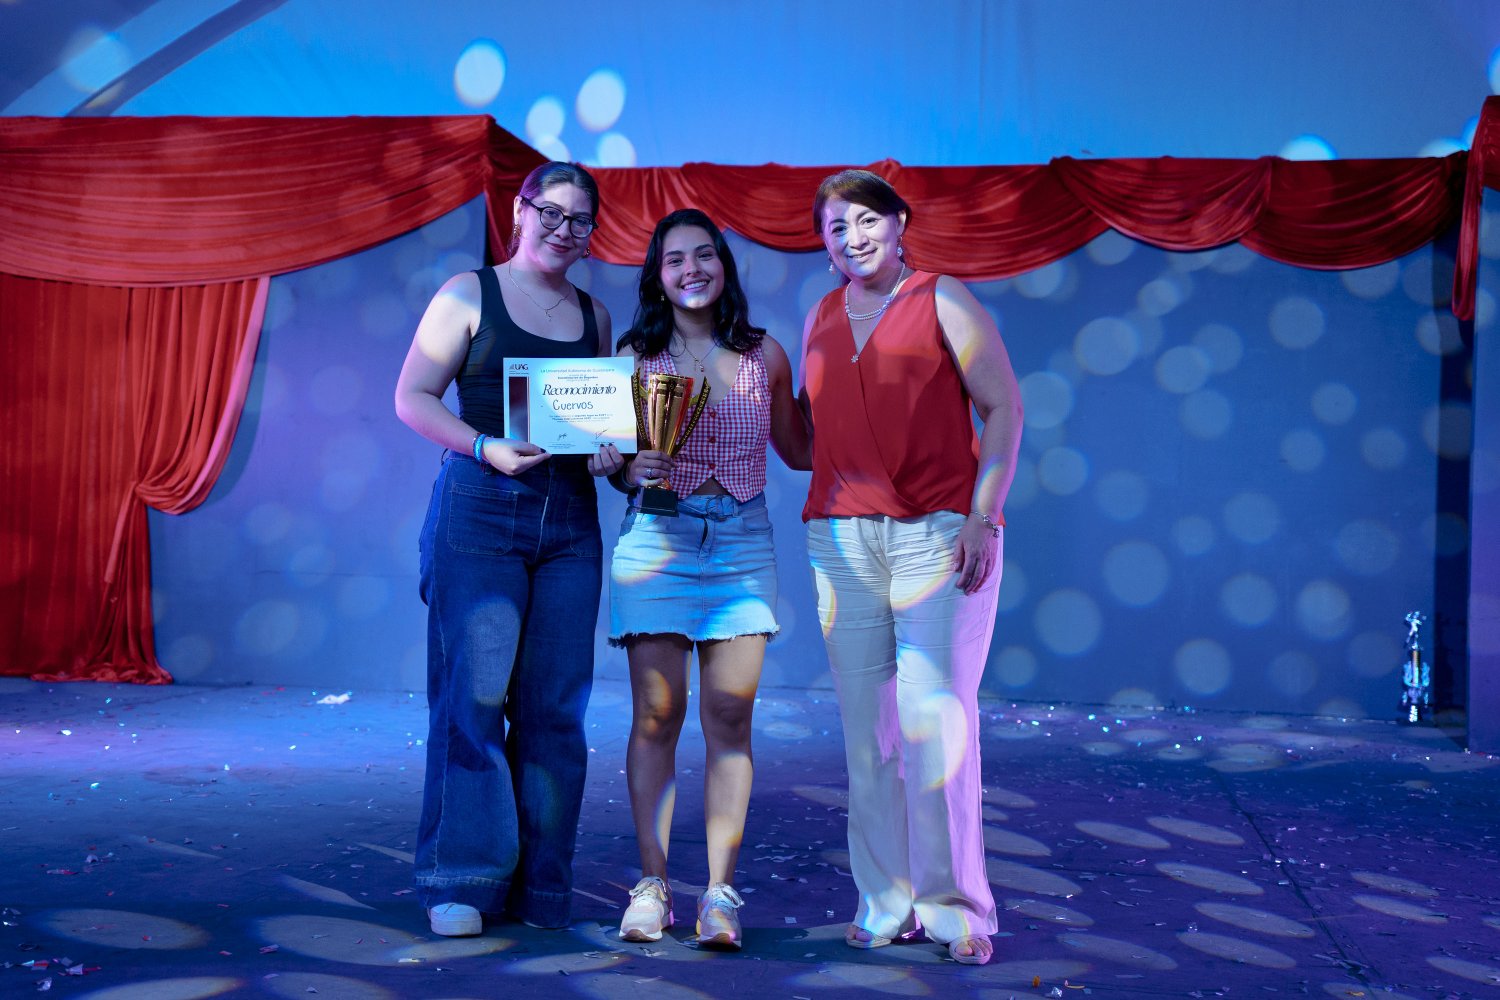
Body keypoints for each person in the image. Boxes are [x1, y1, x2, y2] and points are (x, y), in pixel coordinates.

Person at [393, 162, 626, 937]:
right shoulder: (469, 293)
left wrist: (609, 454)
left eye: (580, 220)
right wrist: (483, 445)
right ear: (521, 212)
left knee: (555, 710)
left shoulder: (595, 316)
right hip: (482, 510)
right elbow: (411, 397)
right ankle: (460, 880)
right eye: (551, 212)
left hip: (570, 521)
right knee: (473, 698)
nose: (564, 230)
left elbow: (594, 427)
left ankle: (542, 887)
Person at [798, 170, 1022, 966]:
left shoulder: (942, 297)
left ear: (898, 224)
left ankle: (957, 910)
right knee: (869, 737)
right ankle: (884, 903)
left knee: (936, 727)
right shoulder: (821, 315)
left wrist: (984, 515)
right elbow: (814, 437)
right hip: (841, 541)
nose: (853, 237)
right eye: (836, 228)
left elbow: (1003, 407)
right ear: (824, 246)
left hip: (937, 535)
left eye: (866, 220)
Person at [607, 208, 810, 949]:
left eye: (704, 256)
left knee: (729, 719)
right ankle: (652, 886)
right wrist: (626, 465)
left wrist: (852, 380)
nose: (691, 269)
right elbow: (613, 465)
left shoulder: (766, 355)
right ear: (657, 278)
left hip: (741, 544)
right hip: (656, 543)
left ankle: (720, 895)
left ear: (723, 266)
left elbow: (800, 449)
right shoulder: (631, 358)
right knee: (655, 718)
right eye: (674, 260)